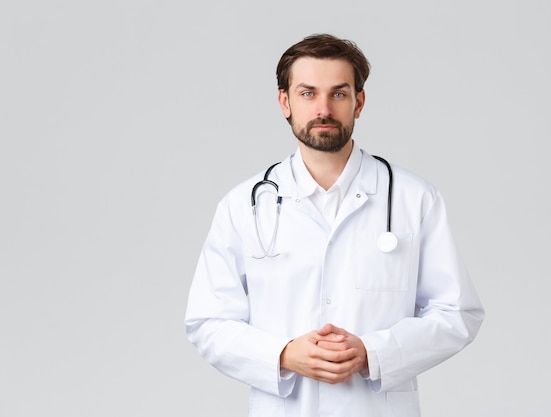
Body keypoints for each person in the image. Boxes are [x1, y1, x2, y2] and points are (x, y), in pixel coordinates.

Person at [185, 33, 484, 417]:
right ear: (284, 102)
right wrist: (284, 355)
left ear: (359, 102)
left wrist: (372, 353)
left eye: (338, 94)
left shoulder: (414, 199)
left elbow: (458, 312)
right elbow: (207, 321)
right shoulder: (243, 205)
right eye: (308, 93)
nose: (323, 108)